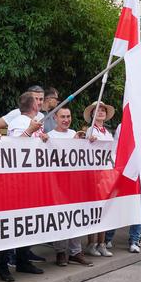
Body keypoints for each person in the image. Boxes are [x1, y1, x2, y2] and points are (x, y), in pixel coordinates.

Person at [0, 93, 48, 282]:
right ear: (32, 104)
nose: (41, 103)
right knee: (11, 223)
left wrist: (42, 138)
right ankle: (2, 264)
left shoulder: (32, 121)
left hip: (29, 181)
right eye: (38, 100)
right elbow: (14, 149)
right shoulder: (20, 121)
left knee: (27, 222)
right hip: (16, 182)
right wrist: (30, 130)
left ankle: (23, 259)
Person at [48, 107, 93, 267]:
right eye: (62, 117)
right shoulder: (50, 137)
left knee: (76, 216)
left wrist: (90, 141)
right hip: (58, 183)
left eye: (68, 116)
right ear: (55, 118)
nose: (66, 120)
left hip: (74, 183)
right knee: (60, 217)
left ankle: (75, 252)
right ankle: (60, 252)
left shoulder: (75, 133)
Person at [82, 101, 115, 257]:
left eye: (103, 110)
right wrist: (91, 140)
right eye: (97, 110)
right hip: (95, 174)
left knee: (105, 209)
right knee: (95, 209)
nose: (101, 112)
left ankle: (102, 243)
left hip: (107, 173)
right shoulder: (90, 131)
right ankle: (91, 243)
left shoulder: (107, 133)